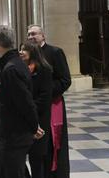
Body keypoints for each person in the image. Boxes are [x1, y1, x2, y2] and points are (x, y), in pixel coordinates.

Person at [0, 25, 43, 178]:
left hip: (13, 134)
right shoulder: (12, 64)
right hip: (12, 133)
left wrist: (34, 126)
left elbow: (25, 102)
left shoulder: (11, 68)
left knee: (11, 173)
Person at [27, 24, 71, 178]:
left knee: (53, 144)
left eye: (34, 34)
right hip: (35, 106)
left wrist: (45, 93)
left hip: (53, 105)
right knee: (37, 144)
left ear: (43, 36)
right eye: (29, 35)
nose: (31, 37)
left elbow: (65, 80)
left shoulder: (55, 52)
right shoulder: (28, 56)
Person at [20, 42, 53, 178]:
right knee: (20, 156)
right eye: (20, 49)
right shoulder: (20, 68)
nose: (20, 52)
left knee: (36, 157)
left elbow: (45, 97)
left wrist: (29, 109)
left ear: (32, 52)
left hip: (39, 118)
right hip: (23, 118)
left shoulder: (44, 69)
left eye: (24, 50)